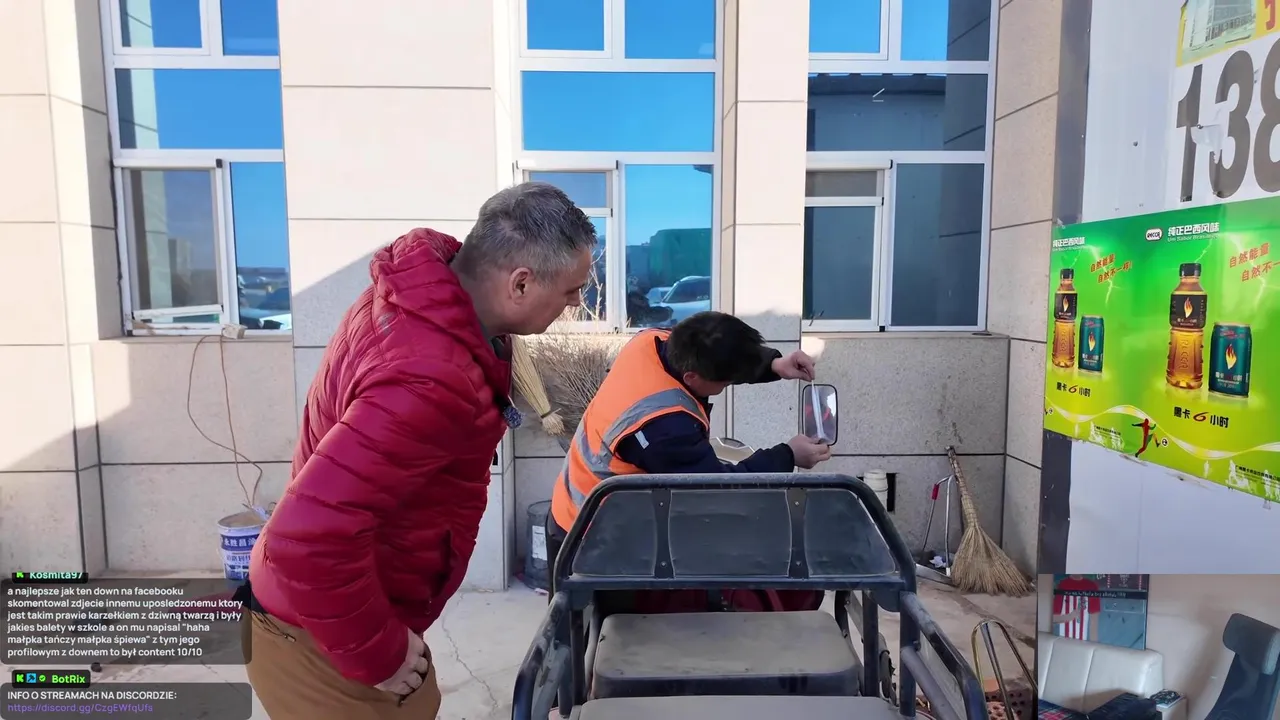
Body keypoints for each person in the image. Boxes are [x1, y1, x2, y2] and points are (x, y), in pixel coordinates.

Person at [239, 182, 597, 720]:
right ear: (521, 283)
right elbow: (306, 539)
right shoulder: (430, 377)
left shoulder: (421, 299)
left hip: (336, 610)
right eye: (571, 291)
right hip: (319, 632)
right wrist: (378, 655)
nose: (575, 304)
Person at [545, 311, 833, 611]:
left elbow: (718, 350)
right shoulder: (663, 426)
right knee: (622, 631)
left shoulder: (653, 341)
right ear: (691, 378)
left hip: (578, 504)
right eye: (724, 382)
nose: (727, 385)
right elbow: (717, 489)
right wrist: (788, 455)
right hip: (595, 540)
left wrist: (774, 364)